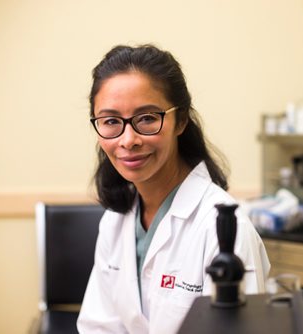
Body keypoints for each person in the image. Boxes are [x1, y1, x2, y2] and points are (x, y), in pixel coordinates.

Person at [77, 44, 270, 333]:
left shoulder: (224, 230)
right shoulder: (115, 222)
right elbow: (99, 326)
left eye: (147, 118)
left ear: (180, 121)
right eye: (111, 122)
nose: (128, 140)